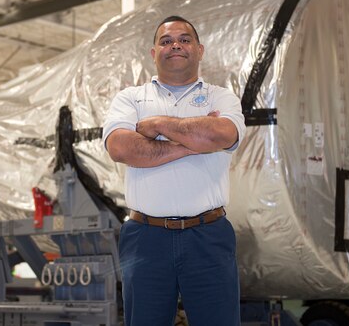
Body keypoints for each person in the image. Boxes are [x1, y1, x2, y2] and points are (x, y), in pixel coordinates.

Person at [102, 16, 246, 326]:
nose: (175, 45)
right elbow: (122, 149)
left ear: (199, 50)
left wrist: (156, 125)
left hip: (208, 235)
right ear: (154, 53)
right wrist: (192, 142)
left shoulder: (221, 97)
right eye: (166, 41)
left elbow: (220, 135)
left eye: (184, 39)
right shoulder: (130, 98)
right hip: (145, 237)